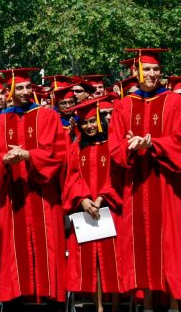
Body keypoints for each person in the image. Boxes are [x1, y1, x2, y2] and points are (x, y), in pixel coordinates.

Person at [109, 48, 181, 310]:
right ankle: (147, 304)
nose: (152, 74)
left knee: (172, 246)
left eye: (156, 69)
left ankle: (174, 305)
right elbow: (114, 149)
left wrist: (154, 145)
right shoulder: (124, 106)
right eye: (147, 69)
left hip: (168, 187)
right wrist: (131, 147)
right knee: (143, 248)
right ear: (134, 72)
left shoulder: (175, 102)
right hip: (137, 188)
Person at [0, 68, 66, 307]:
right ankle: (15, 301)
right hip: (13, 200)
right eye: (18, 88)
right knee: (14, 255)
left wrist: (29, 155)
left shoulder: (48, 116)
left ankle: (50, 300)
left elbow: (57, 154)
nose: (24, 92)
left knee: (47, 251)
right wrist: (4, 160)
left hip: (43, 197)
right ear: (10, 91)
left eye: (27, 87)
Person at [63, 98, 122, 312]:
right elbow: (71, 176)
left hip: (110, 209)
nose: (89, 126)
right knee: (92, 261)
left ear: (100, 120)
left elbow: (115, 174)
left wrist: (101, 197)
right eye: (85, 123)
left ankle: (115, 305)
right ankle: (98, 307)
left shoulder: (111, 144)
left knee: (113, 259)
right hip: (85, 211)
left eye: (92, 121)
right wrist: (84, 198)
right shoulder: (76, 147)